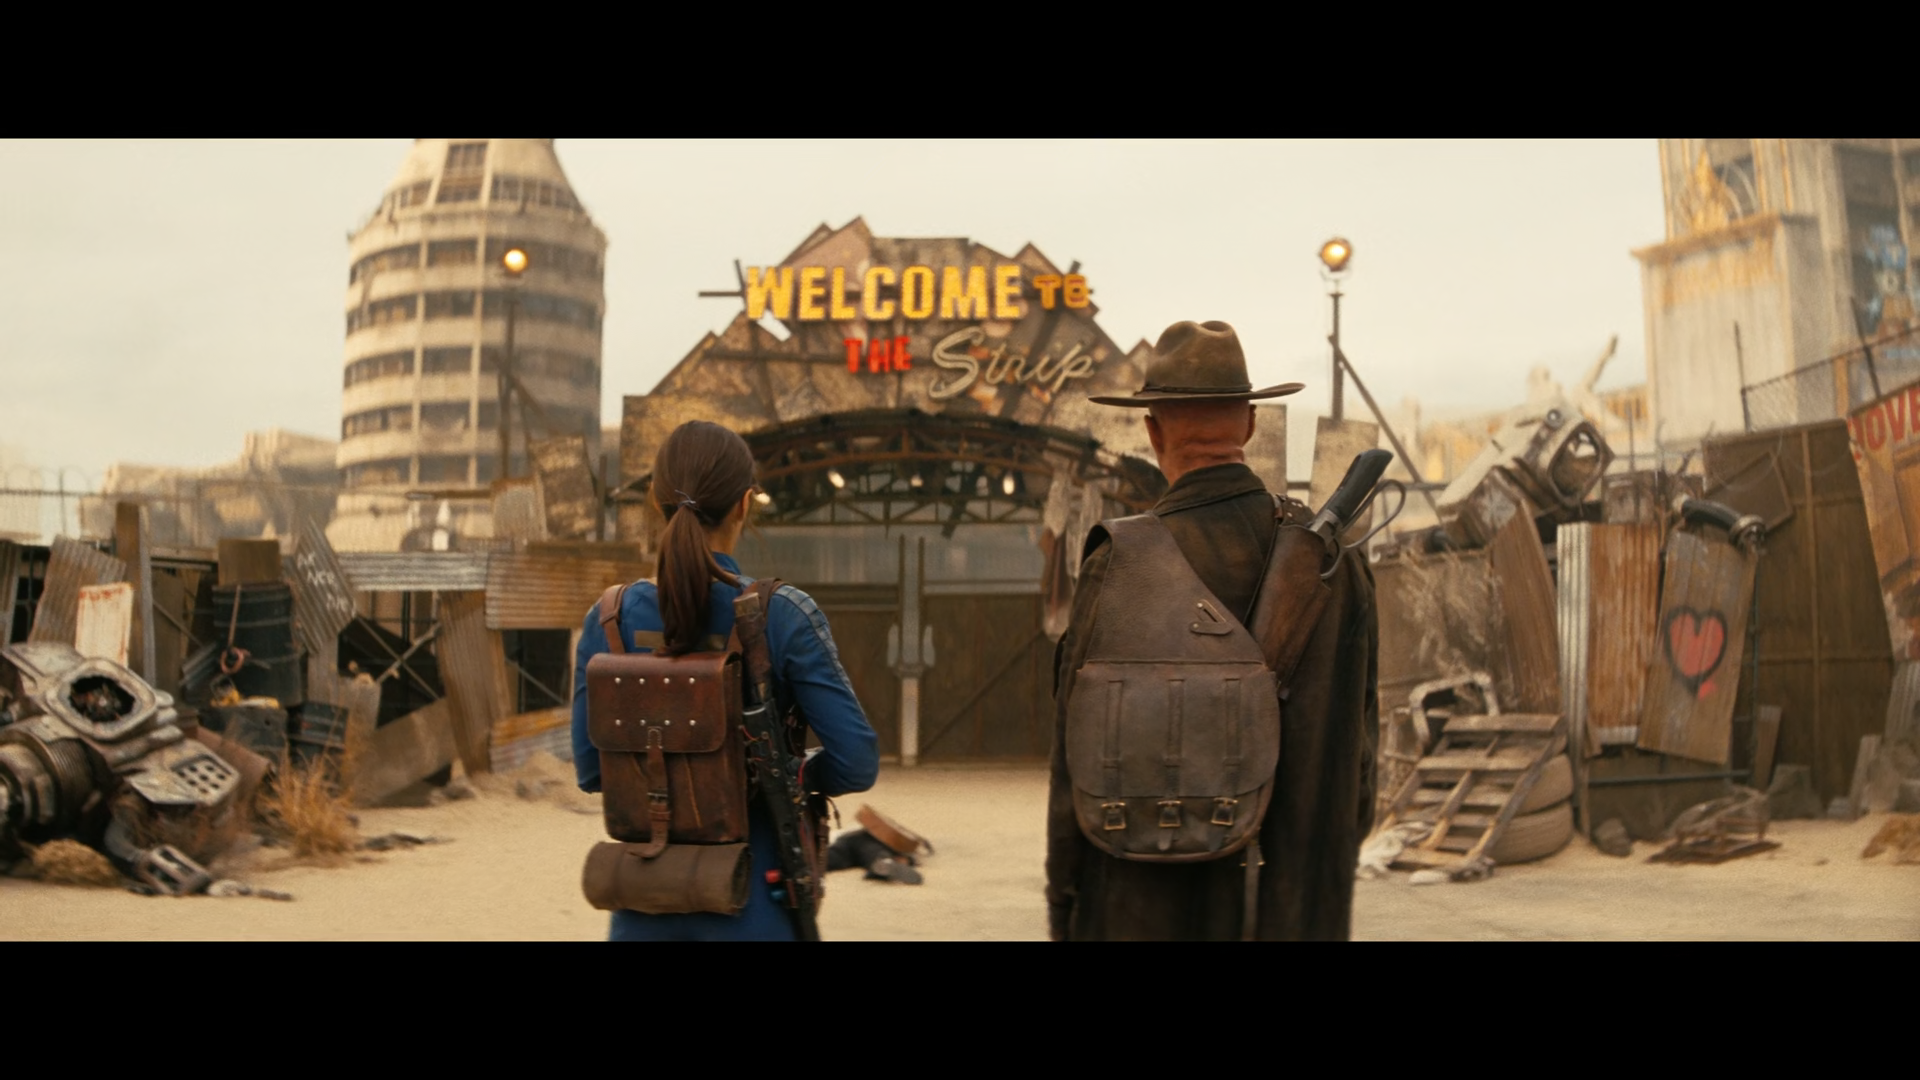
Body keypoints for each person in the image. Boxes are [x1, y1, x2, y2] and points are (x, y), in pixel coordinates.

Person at [1046, 320, 1380, 941]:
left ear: (1152, 432)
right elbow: (1360, 774)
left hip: (1138, 916)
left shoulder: (1116, 564)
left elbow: (1073, 768)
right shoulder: (1337, 567)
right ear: (1249, 425)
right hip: (1296, 913)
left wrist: (1062, 903)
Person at [571, 420, 881, 941]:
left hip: (641, 907)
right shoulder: (782, 615)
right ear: (744, 503)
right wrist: (786, 773)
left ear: (656, 500)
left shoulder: (608, 619)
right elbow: (856, 761)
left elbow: (590, 772)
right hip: (754, 903)